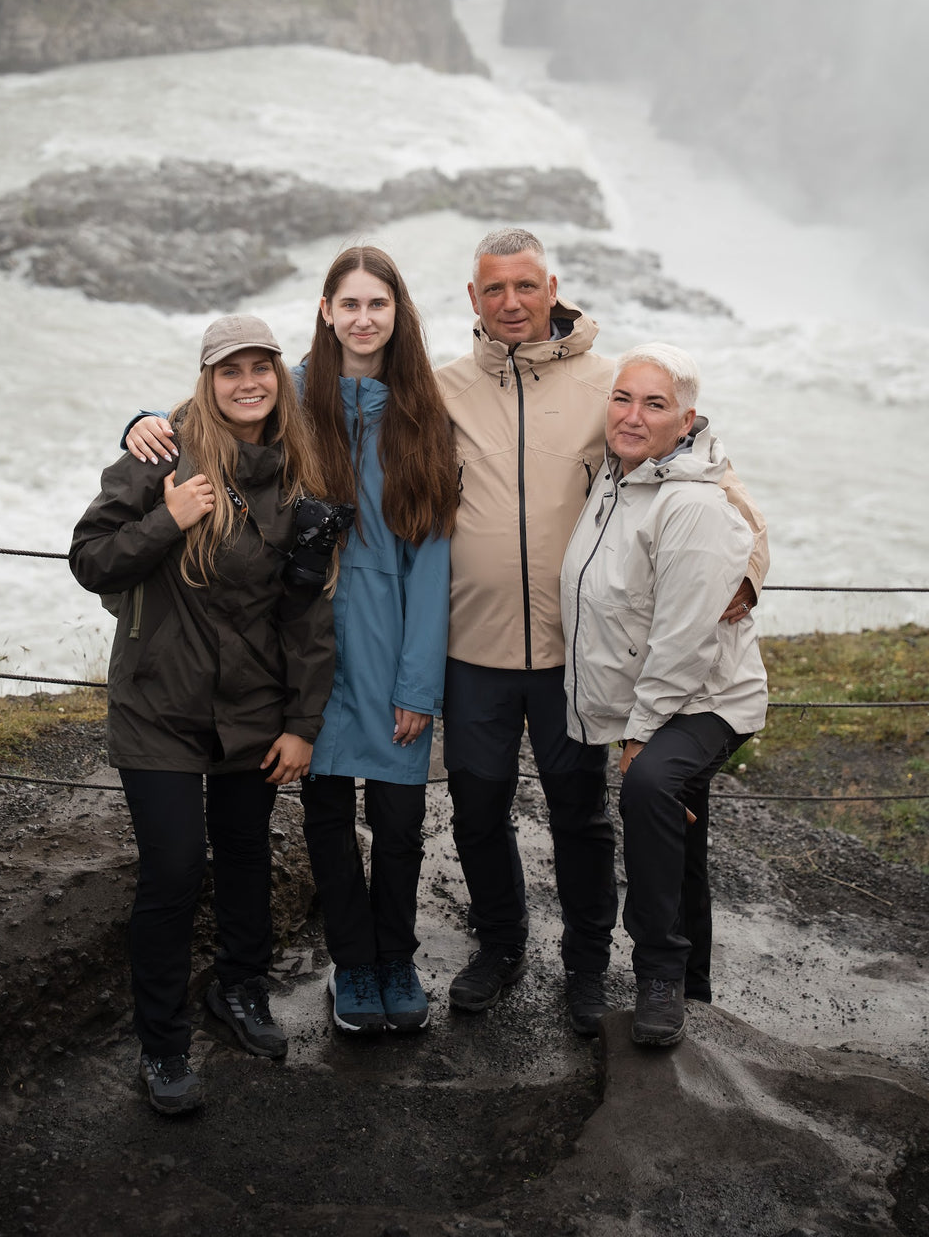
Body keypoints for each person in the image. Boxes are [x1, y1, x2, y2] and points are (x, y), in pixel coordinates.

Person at [435, 228, 768, 1034]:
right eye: (493, 289)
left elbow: (721, 484)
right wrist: (153, 422)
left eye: (525, 286)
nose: (511, 302)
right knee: (476, 809)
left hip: (572, 658)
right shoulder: (443, 389)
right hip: (472, 647)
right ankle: (500, 945)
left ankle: (586, 964)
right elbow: (342, 403)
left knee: (579, 818)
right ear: (473, 297)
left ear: (551, 288)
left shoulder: (610, 385)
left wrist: (748, 574)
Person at [124, 249, 456, 1036]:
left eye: (379, 304)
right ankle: (354, 965)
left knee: (400, 824)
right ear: (325, 310)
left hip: (391, 647)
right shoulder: (292, 392)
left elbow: (433, 561)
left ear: (398, 312)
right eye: (350, 304)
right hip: (302, 649)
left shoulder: (424, 413)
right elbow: (209, 414)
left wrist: (419, 684)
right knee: (327, 819)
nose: (364, 319)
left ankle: (397, 958)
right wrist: (139, 421)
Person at [70, 315, 335, 1114]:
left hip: (252, 710)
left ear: (279, 377)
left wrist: (303, 724)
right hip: (159, 706)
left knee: (247, 855)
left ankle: (239, 989)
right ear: (207, 380)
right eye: (230, 370)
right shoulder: (159, 454)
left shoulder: (298, 475)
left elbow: (305, 615)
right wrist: (168, 518)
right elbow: (90, 559)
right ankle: (163, 1043)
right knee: (176, 868)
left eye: (261, 367)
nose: (247, 382)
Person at [561, 343, 768, 1047]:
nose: (632, 415)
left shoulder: (691, 502)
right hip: (657, 691)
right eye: (622, 398)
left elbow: (683, 639)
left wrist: (639, 733)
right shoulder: (615, 477)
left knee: (649, 785)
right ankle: (694, 985)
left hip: (708, 696)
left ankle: (658, 975)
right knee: (678, 829)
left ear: (687, 421)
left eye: (654, 405)